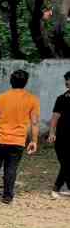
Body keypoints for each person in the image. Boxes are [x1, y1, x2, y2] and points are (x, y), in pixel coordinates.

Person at [0, 69, 40, 204]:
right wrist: (34, 141)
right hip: (17, 141)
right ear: (26, 82)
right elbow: (35, 122)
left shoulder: (1, 97)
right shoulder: (32, 99)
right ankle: (7, 197)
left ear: (10, 81)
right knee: (11, 169)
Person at [49, 71, 70, 199]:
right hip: (62, 136)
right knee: (65, 162)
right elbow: (55, 117)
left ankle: (56, 188)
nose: (67, 82)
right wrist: (52, 132)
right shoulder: (61, 98)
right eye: (66, 80)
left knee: (67, 163)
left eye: (69, 80)